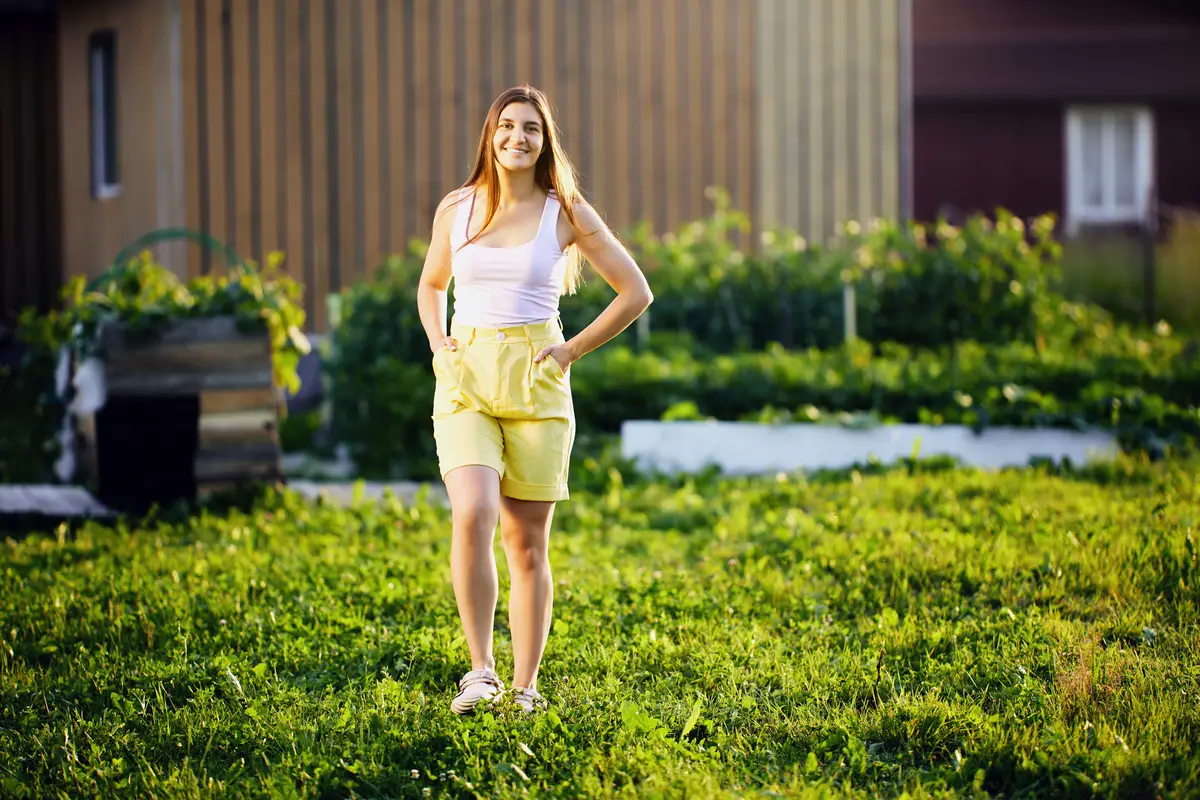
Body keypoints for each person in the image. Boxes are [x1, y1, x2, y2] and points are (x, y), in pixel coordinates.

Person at [416, 85, 653, 715]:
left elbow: (635, 291)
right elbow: (432, 284)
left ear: (545, 142)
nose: (516, 138)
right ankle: (480, 673)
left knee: (525, 545)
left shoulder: (565, 211)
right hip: (466, 378)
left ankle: (524, 688)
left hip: (536, 380)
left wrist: (570, 350)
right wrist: (439, 343)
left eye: (530, 128)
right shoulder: (457, 207)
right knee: (472, 512)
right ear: (489, 135)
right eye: (506, 126)